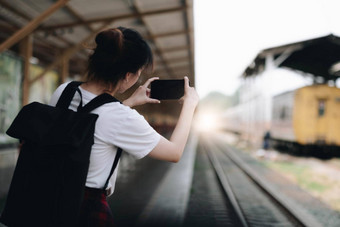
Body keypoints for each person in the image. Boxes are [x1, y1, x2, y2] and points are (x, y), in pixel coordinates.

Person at [49, 27, 199, 226]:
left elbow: (90, 122)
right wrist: (189, 106)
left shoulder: (64, 91)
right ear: (128, 75)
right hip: (84, 208)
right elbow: (174, 152)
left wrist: (127, 103)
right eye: (138, 73)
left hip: (47, 196)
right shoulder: (121, 117)